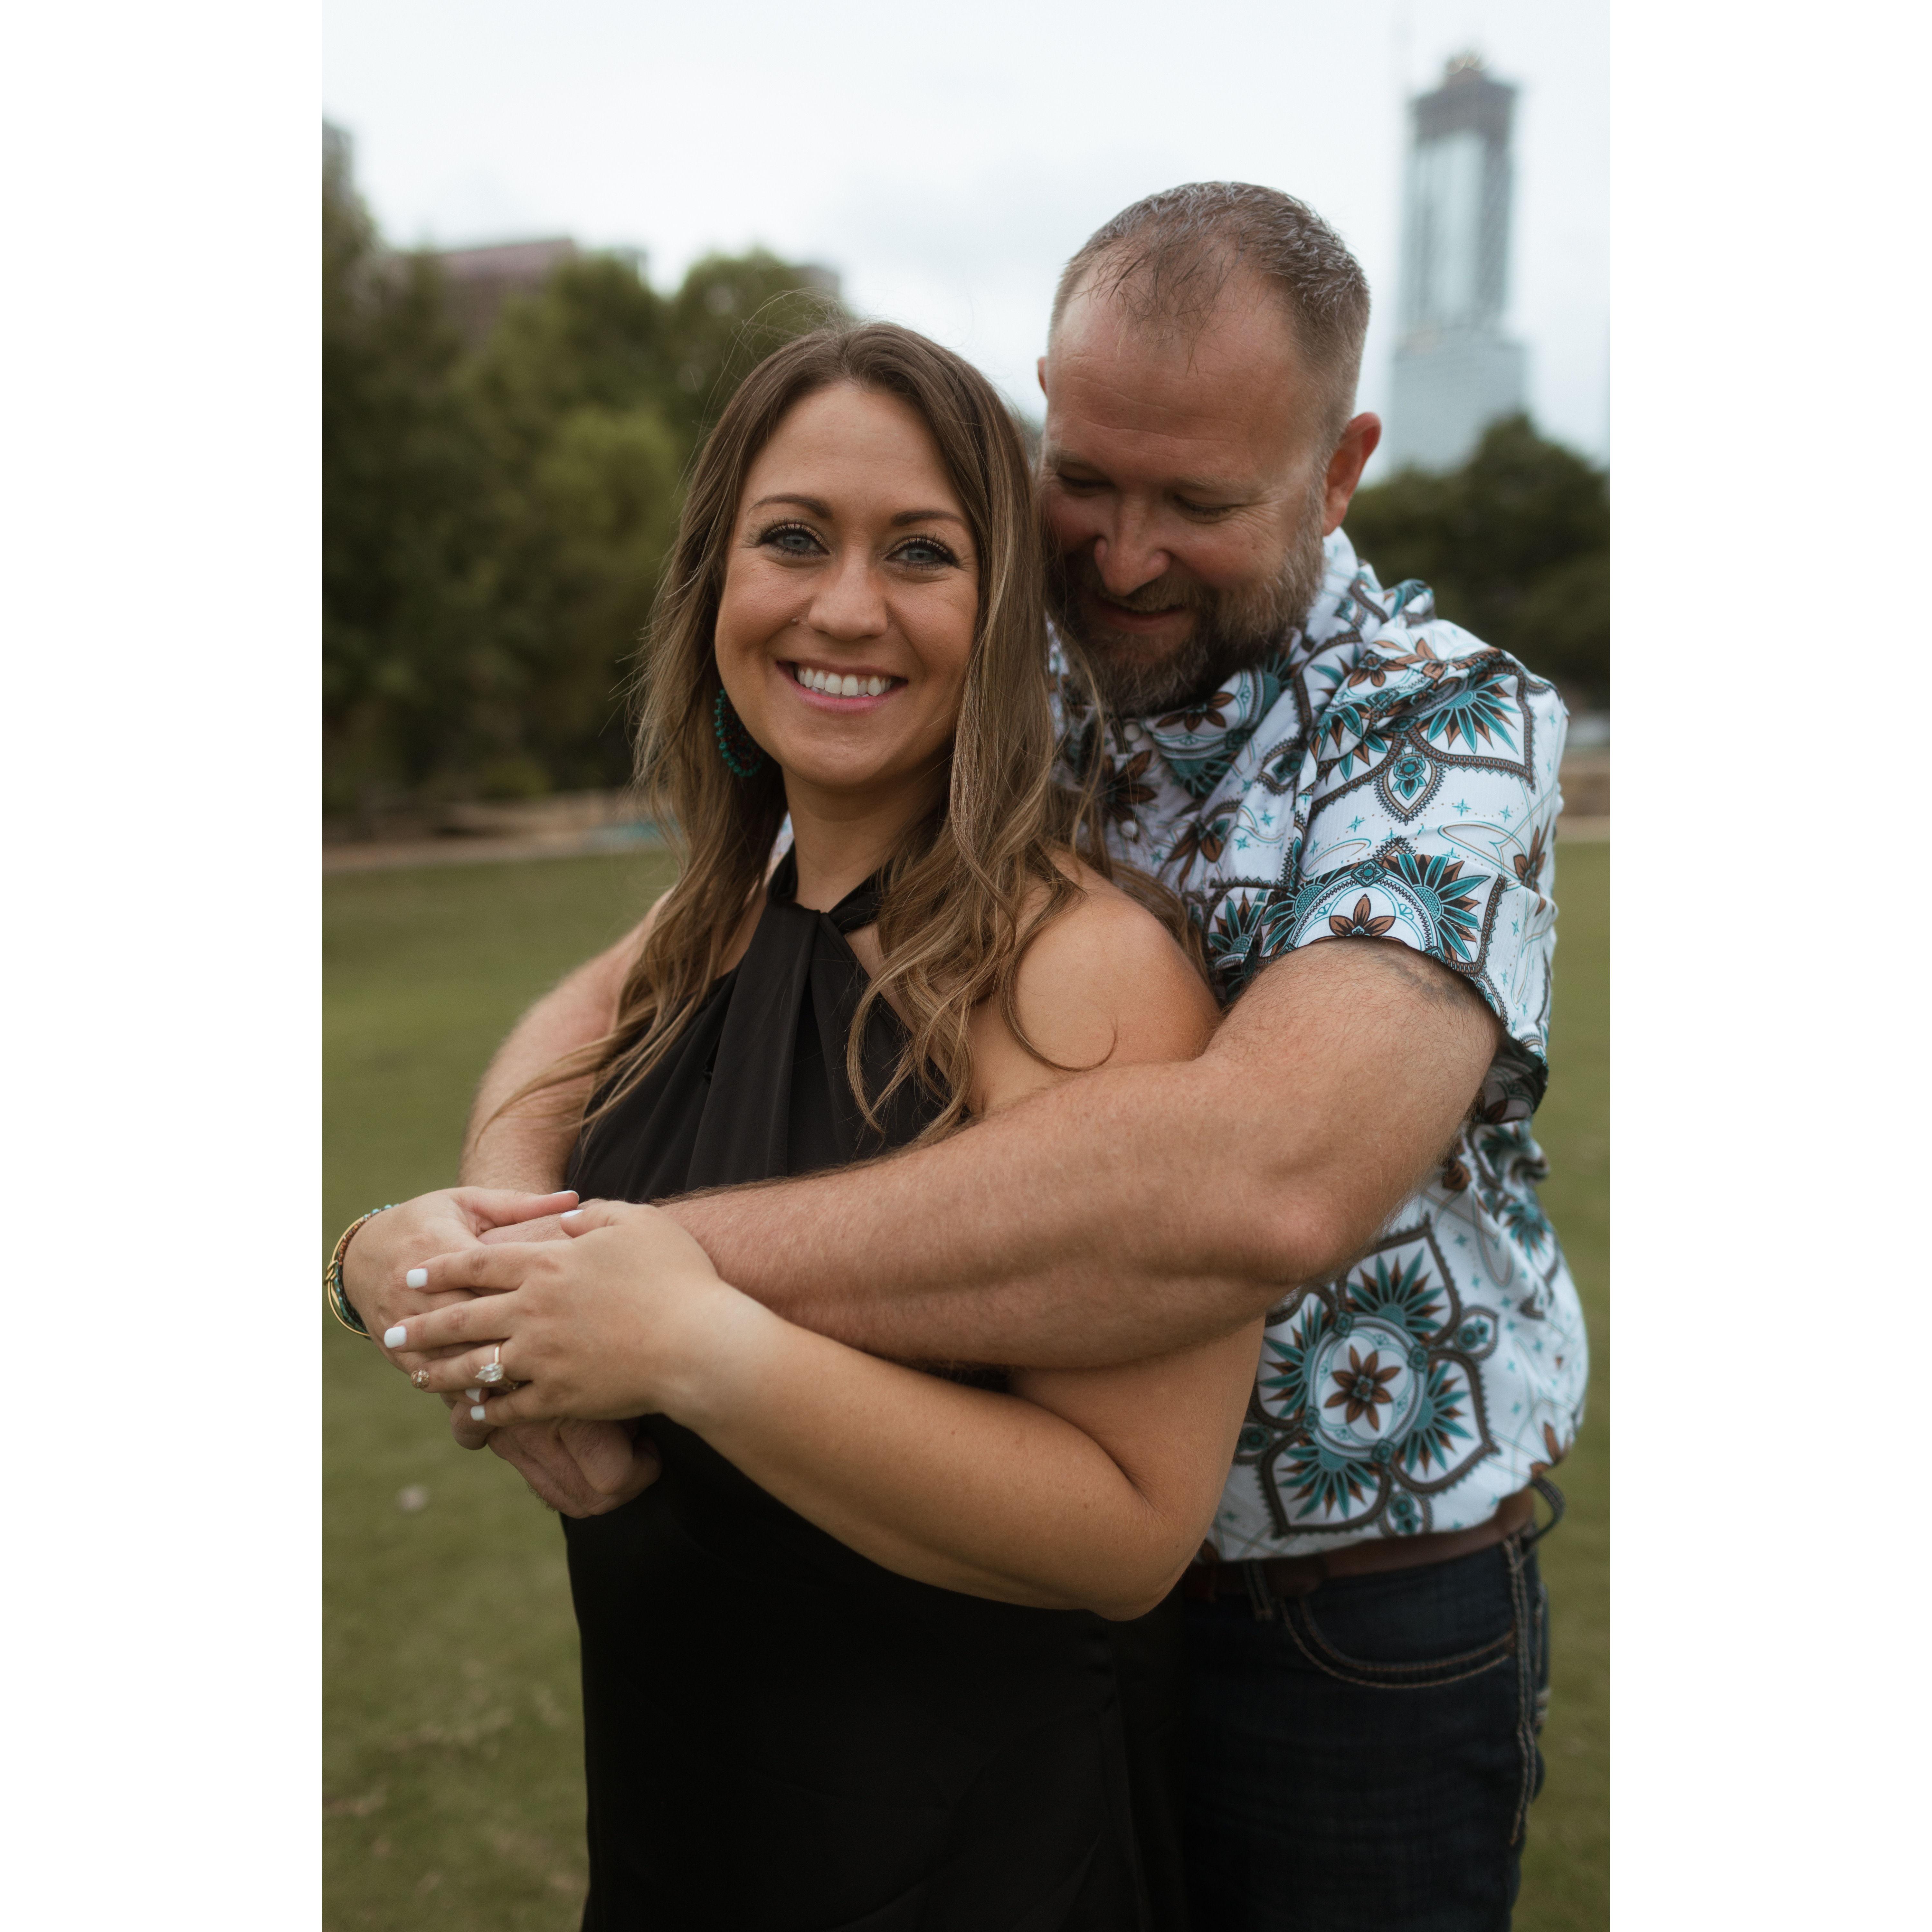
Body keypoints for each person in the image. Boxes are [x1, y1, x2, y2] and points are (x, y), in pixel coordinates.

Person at [346, 184, 1588, 1931]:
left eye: (1201, 502)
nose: (1128, 553)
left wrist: (666, 1282)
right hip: (981, 1592)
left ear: (1337, 468)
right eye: (1090, 478)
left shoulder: (1443, 728)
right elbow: (645, 972)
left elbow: (1264, 1180)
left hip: (1342, 1608)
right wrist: (488, 1224)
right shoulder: (1026, 651)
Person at [336, 320, 1265, 1930]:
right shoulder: (716, 920)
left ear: (1000, 617)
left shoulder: (1083, 974)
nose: (846, 607)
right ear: (714, 586)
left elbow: (1131, 1530)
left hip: (970, 1862)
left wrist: (703, 1349)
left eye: (921, 552)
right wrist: (379, 1260)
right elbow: (543, 1092)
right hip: (675, 1823)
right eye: (793, 540)